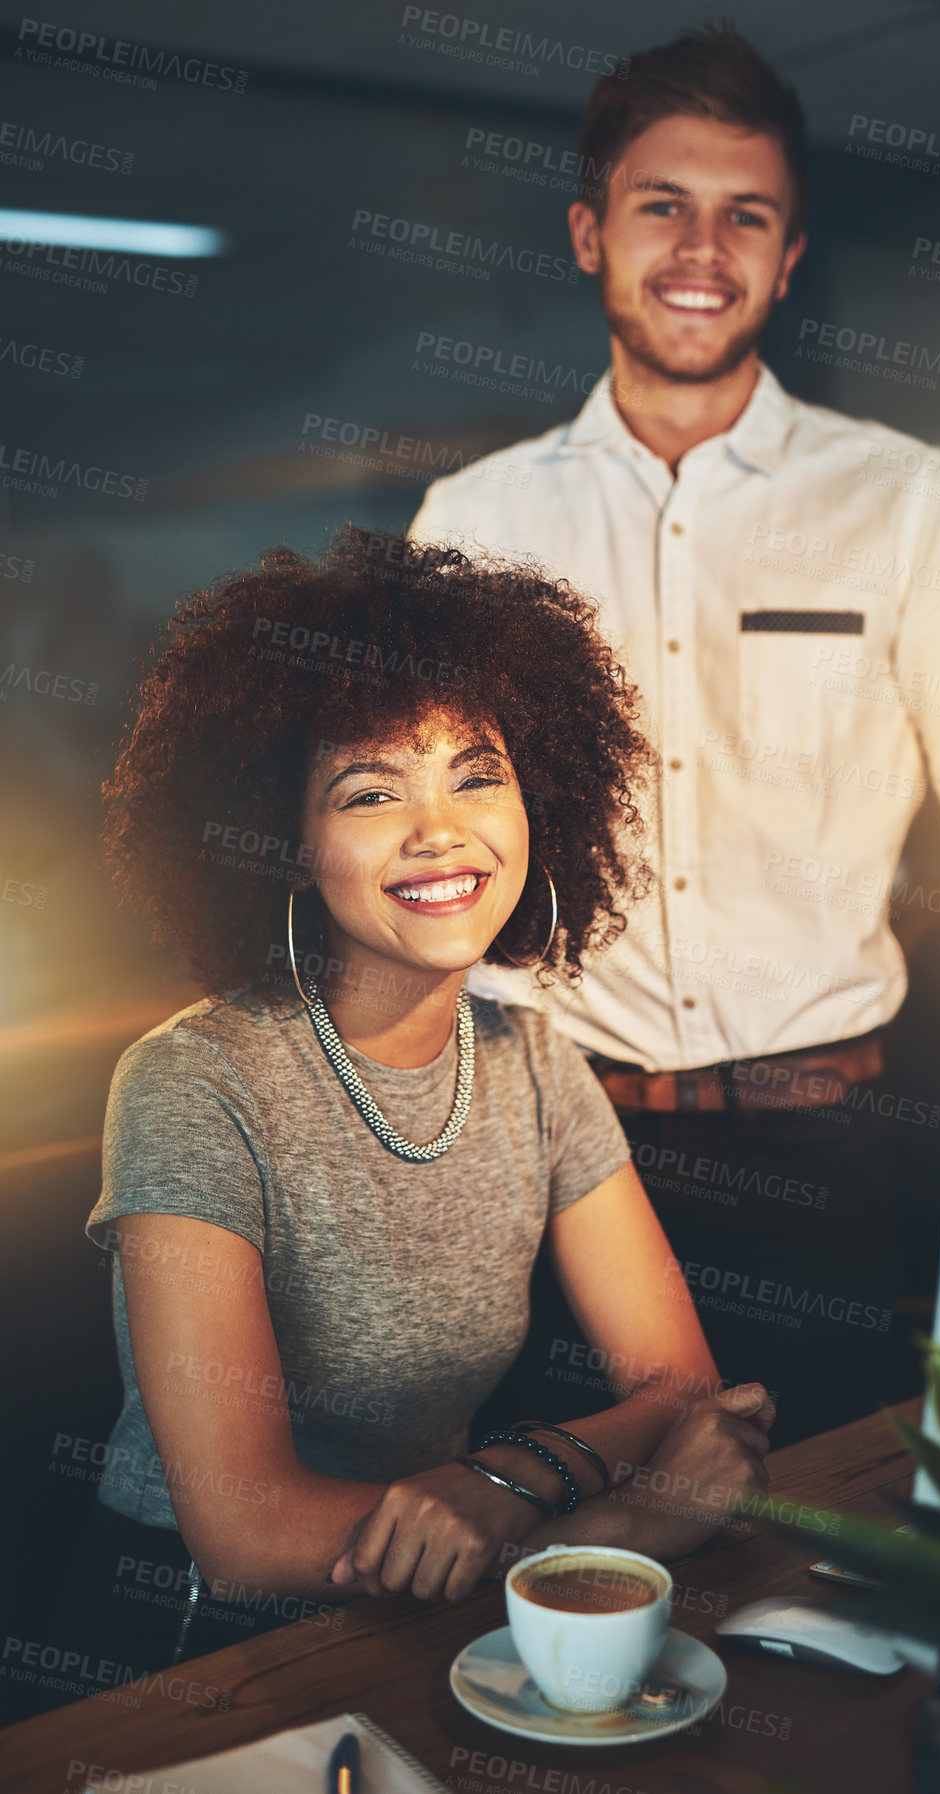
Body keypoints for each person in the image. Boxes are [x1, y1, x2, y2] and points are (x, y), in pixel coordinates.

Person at [409, 24, 940, 1442]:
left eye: (743, 214)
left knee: (819, 1563)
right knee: (559, 1557)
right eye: (662, 205)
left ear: (787, 251)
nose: (701, 246)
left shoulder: (910, 501)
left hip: (824, 1146)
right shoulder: (473, 521)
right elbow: (415, 845)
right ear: (590, 232)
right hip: (540, 1138)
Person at [53, 528, 774, 1690]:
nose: (440, 830)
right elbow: (247, 1533)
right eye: (371, 789)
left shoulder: (534, 1058)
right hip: (195, 1656)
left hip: (438, 1604)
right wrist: (623, 1531)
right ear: (287, 842)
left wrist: (499, 1481)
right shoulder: (196, 1081)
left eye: (475, 773)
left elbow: (683, 1389)